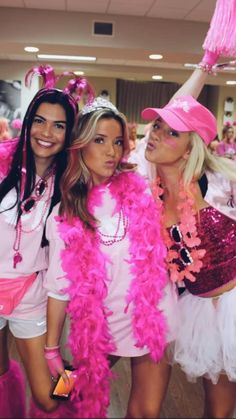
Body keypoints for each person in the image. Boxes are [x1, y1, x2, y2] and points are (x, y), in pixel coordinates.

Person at [43, 96, 178, 419]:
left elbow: (172, 117)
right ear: (80, 145)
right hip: (102, 327)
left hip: (152, 317)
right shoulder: (64, 217)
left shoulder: (141, 185)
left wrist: (203, 67)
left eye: (118, 142)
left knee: (145, 412)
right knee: (73, 402)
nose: (111, 151)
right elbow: (58, 289)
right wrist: (51, 350)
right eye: (100, 140)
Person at [0, 65, 94, 418]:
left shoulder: (71, 185)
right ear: (27, 123)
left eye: (59, 125)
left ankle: (82, 390)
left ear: (70, 133)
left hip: (31, 295)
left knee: (48, 395)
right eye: (40, 121)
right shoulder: (2, 166)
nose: (46, 132)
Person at [141, 94, 236, 418]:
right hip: (198, 311)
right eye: (156, 126)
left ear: (190, 147)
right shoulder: (148, 194)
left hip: (232, 307)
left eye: (172, 132)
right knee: (216, 412)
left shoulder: (219, 185)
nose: (155, 134)